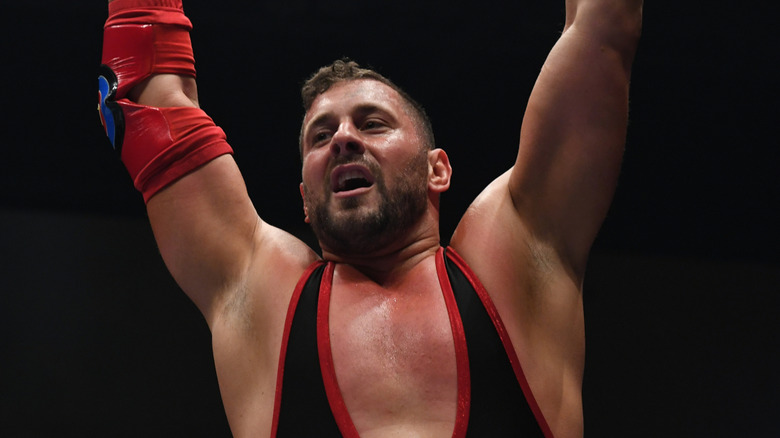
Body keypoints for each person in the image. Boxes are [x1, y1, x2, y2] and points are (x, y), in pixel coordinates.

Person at [97, 0, 643, 436]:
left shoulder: (520, 255)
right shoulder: (260, 294)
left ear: (438, 170)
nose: (343, 140)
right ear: (306, 202)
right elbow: (145, 99)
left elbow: (603, 24)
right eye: (320, 135)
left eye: (372, 123)